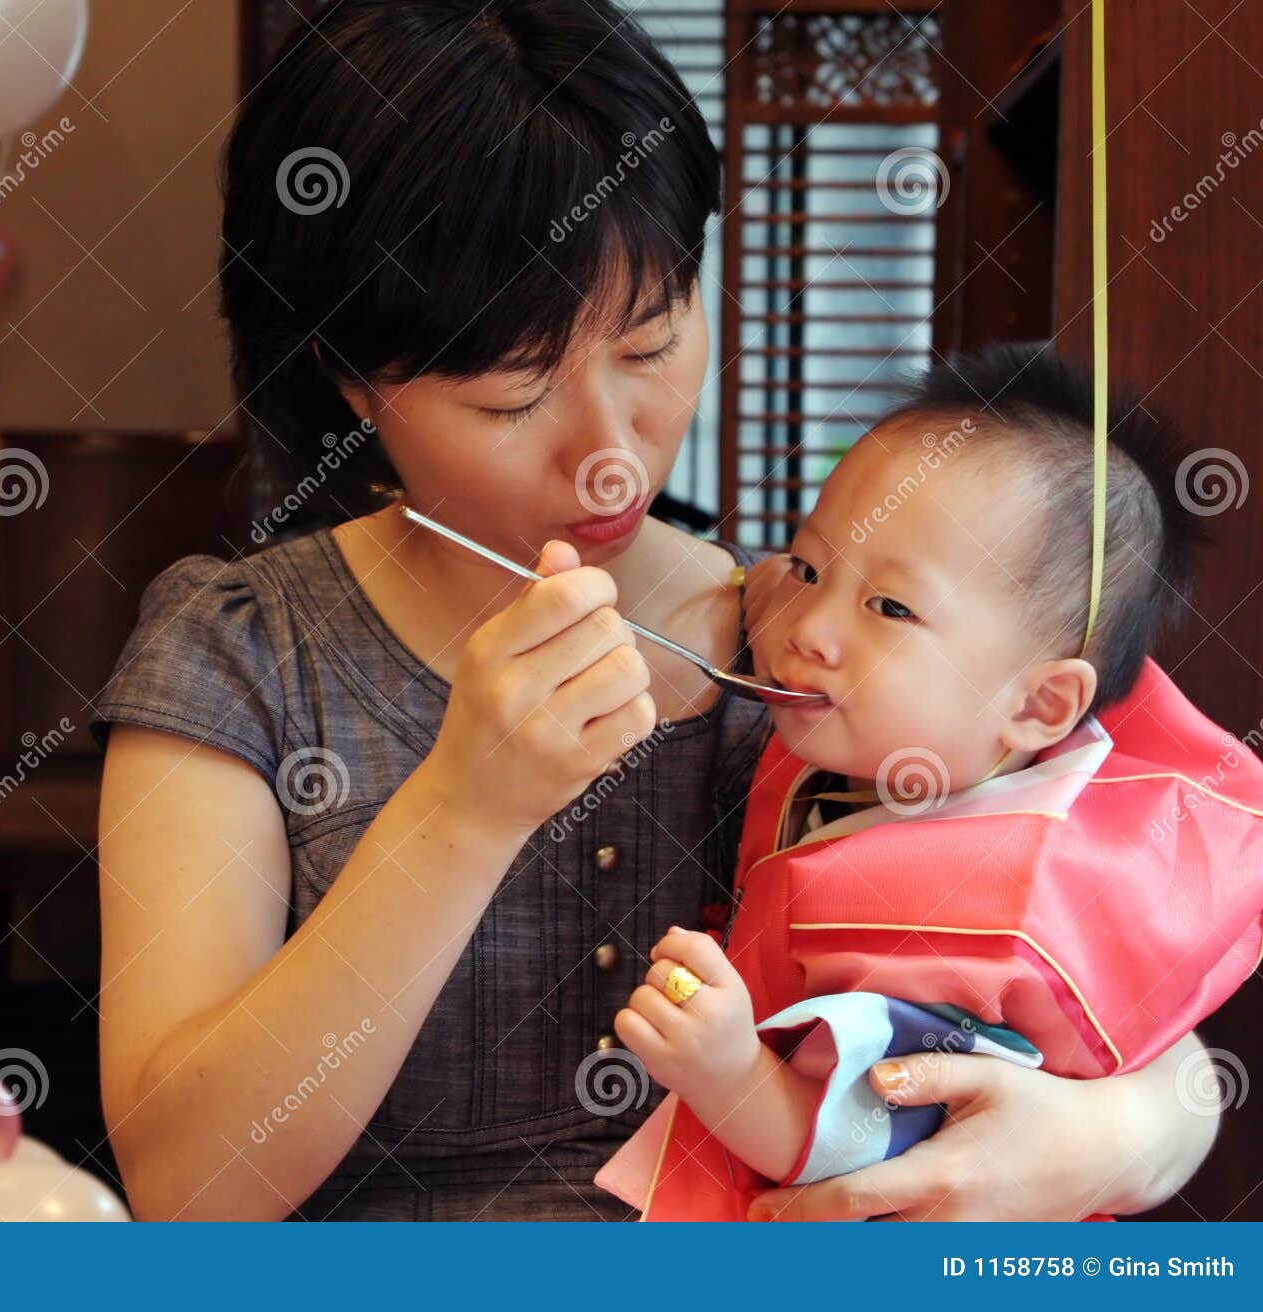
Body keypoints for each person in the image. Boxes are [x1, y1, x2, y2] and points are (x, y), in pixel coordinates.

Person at [90, 0, 1223, 1221]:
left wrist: (1127, 1131)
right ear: (353, 380)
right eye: (514, 396)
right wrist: (462, 808)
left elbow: (1134, 944)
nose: (610, 459)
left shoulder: (839, 643)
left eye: (647, 345)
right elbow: (187, 1191)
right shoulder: (245, 653)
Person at [595, 344, 1263, 1220]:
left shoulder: (978, 925)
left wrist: (728, 1075)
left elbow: (871, 1154)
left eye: (891, 608)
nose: (809, 626)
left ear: (1042, 704)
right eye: (809, 567)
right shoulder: (964, 733)